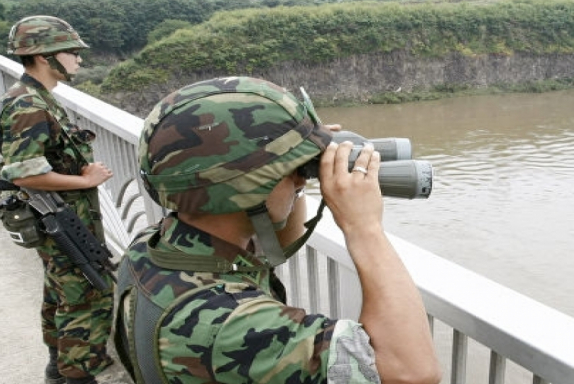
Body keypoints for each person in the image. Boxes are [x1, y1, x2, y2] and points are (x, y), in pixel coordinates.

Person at [114, 76, 442, 384]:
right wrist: (364, 227)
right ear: (244, 189)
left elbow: (276, 240)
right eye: (291, 172)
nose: (300, 178)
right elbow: (411, 372)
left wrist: (301, 154)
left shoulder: (154, 246)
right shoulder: (228, 325)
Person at [0, 15, 115, 384]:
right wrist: (85, 180)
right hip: (60, 216)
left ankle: (57, 367)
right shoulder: (28, 105)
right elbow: (24, 173)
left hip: (57, 215)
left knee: (60, 289)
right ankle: (77, 376)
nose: (79, 59)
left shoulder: (36, 96)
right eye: (71, 53)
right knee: (89, 297)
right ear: (45, 57)